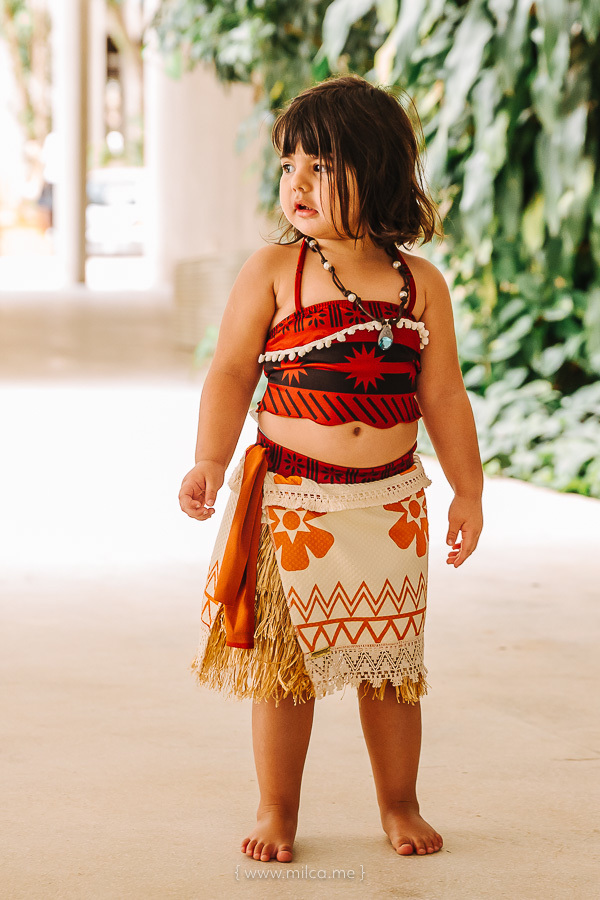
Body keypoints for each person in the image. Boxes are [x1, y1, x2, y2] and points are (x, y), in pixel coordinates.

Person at [179, 75, 483, 863]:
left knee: (392, 667)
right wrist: (210, 458)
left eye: (321, 166)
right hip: (294, 503)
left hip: (390, 505)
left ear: (376, 172)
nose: (298, 183)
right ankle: (276, 808)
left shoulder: (419, 285)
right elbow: (230, 372)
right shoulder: (275, 270)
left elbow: (444, 394)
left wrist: (469, 488)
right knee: (287, 672)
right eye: (290, 166)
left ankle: (400, 803)